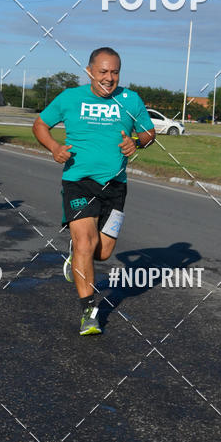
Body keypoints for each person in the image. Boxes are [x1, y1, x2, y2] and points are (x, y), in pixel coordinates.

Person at [32, 47, 155, 335]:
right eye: (103, 72)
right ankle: (89, 311)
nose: (109, 78)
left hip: (115, 185)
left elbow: (150, 134)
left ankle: (77, 255)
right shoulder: (70, 98)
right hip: (78, 180)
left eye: (114, 72)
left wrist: (137, 143)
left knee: (103, 252)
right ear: (89, 71)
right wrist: (55, 148)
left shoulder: (130, 99)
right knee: (86, 244)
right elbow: (40, 124)